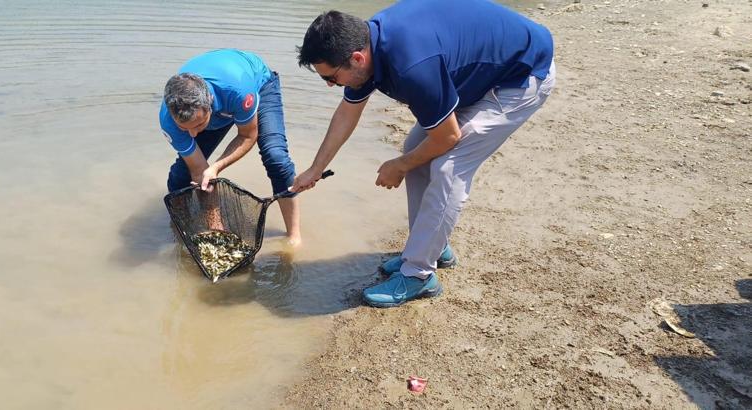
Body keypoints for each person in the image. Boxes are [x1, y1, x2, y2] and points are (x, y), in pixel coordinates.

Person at [290, 0, 556, 307]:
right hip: (477, 75)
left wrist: (399, 166)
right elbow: (347, 114)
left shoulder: (411, 67)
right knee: (415, 149)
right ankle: (430, 245)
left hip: (520, 76)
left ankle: (419, 275)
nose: (329, 85)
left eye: (331, 78)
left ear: (357, 58)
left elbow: (448, 137)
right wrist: (315, 168)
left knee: (447, 167)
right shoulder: (368, 45)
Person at [160, 49, 301, 246]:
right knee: (181, 176)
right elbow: (199, 172)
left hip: (258, 84)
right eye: (185, 129)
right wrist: (217, 229)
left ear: (209, 104)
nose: (193, 135)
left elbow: (247, 135)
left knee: (276, 158)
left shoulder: (238, 91)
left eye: (199, 126)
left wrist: (217, 167)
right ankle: (179, 232)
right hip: (218, 106)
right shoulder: (168, 121)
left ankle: (294, 236)